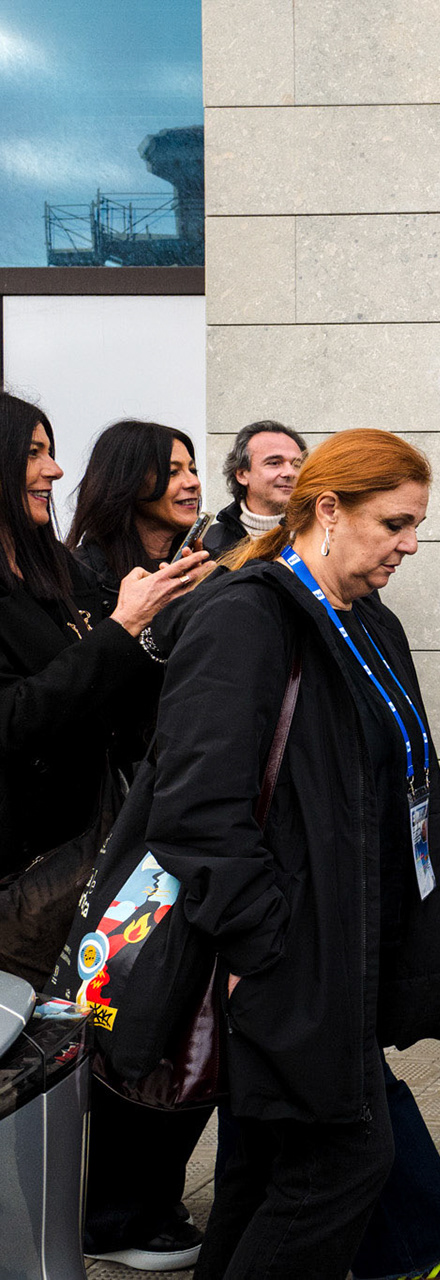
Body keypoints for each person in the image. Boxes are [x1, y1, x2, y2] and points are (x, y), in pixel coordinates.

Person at [145, 428, 440, 1279]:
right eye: (396, 524)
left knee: (265, 1174)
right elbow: (194, 811)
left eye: (416, 526)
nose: (410, 545)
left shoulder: (367, 621)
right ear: (328, 510)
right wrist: (264, 945)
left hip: (344, 948)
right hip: (291, 959)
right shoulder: (245, 617)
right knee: (344, 1165)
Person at [0, 391, 212, 1272]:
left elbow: (106, 707)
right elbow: (18, 720)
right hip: (26, 873)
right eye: (36, 452)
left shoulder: (47, 568)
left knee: (99, 1037)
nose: (54, 468)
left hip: (95, 854)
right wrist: (126, 627)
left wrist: (151, 632)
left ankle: (95, 1222)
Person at [67, 419, 204, 595]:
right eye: (172, 472)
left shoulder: (209, 564)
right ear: (128, 482)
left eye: (193, 470)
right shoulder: (79, 575)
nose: (193, 482)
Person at [202, 420, 308, 558]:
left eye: (297, 464)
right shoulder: (208, 543)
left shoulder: (321, 536)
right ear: (242, 474)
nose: (290, 472)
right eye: (274, 463)